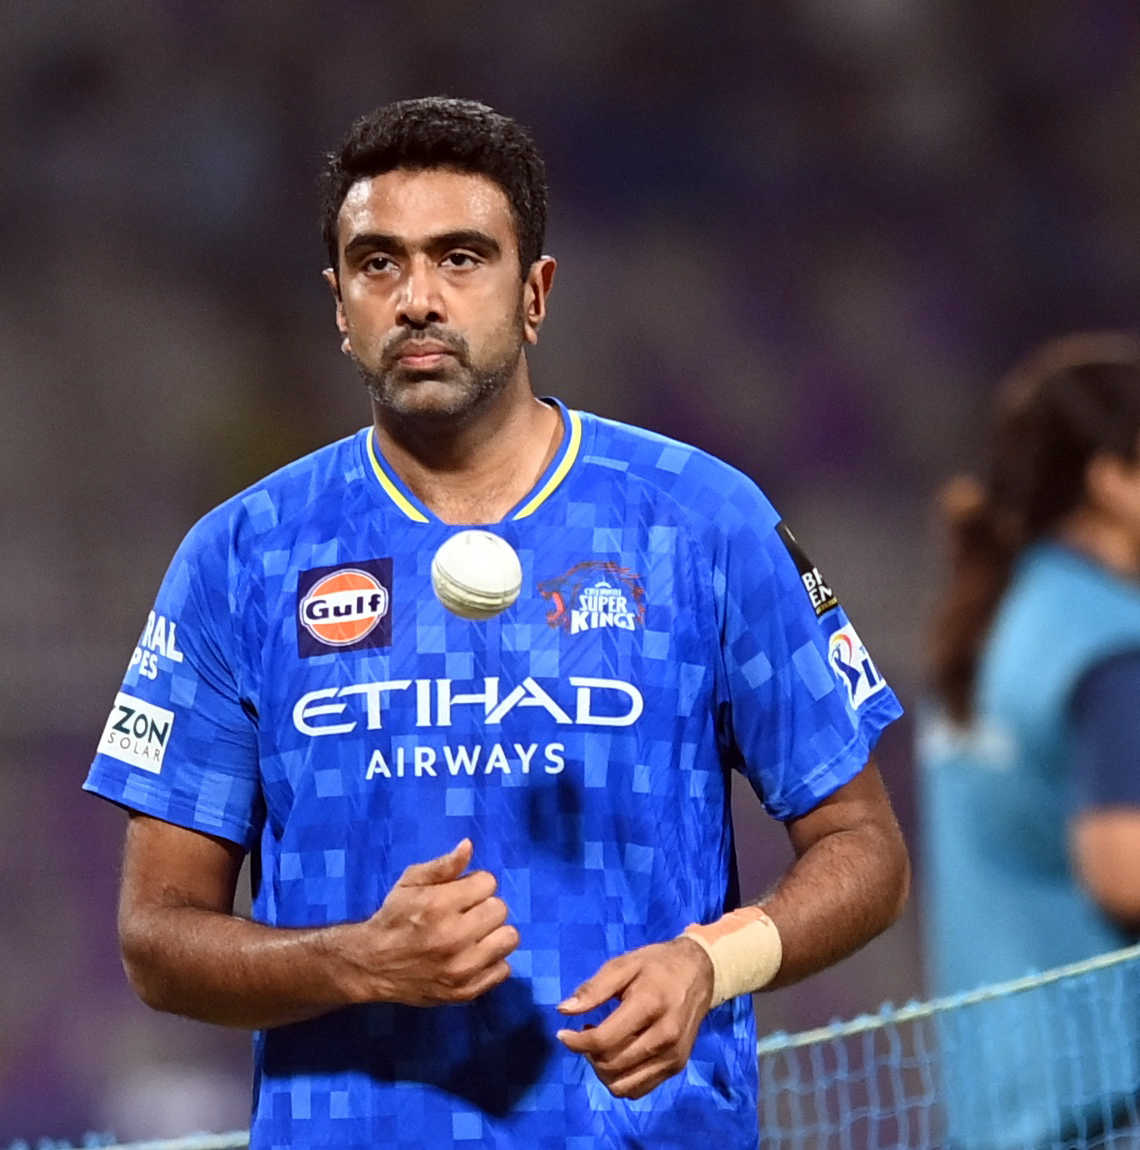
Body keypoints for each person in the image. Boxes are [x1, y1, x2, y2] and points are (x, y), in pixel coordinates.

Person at [85, 97, 909, 1148]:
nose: (417, 297)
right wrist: (357, 958)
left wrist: (713, 960)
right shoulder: (240, 557)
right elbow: (155, 939)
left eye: (460, 258)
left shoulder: (699, 522)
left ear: (534, 294)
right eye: (378, 264)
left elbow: (863, 848)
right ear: (338, 303)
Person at [920, 332, 1140, 1150]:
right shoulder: (1111, 642)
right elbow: (1122, 868)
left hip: (1002, 1104)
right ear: (1111, 481)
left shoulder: (992, 630)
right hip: (1112, 1100)